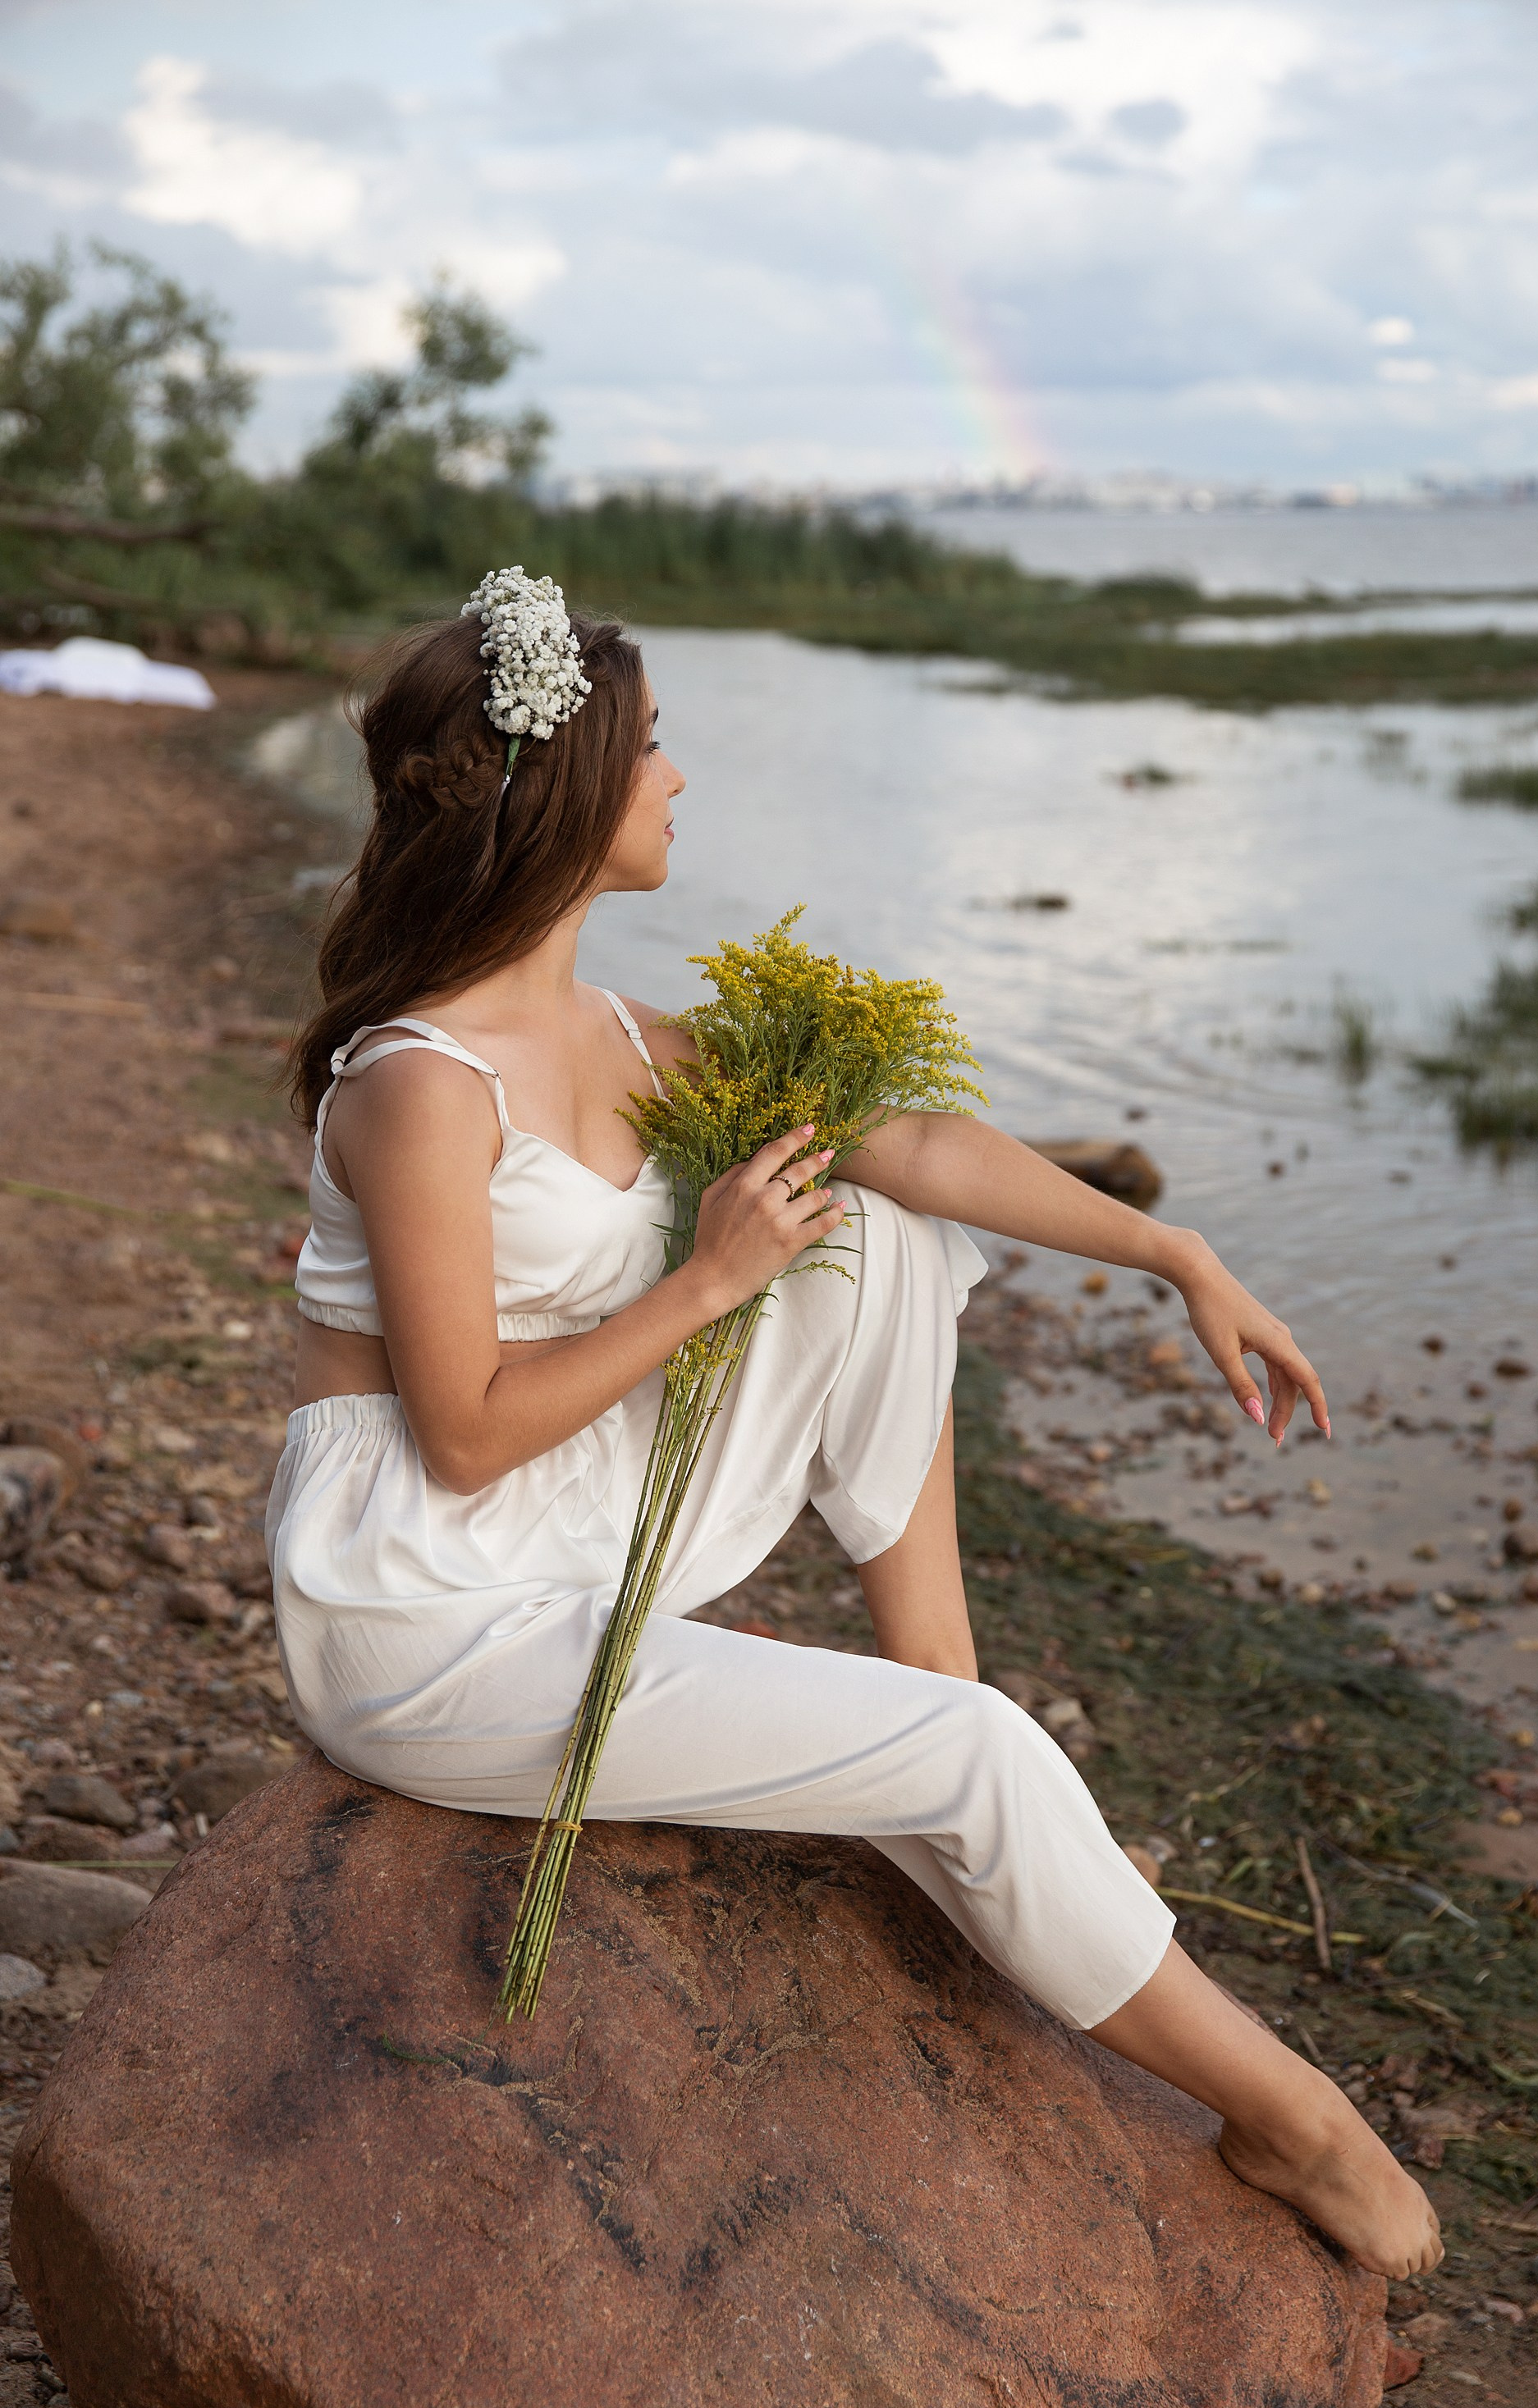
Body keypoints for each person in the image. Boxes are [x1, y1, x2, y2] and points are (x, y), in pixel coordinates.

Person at [270, 570, 1441, 2282]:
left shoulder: (616, 1033)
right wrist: (704, 1279)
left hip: (563, 1543)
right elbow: (457, 1433)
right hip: (422, 1611)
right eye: (654, 749)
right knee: (974, 1763)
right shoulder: (415, 1082)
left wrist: (1170, 1250)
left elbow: (910, 1145)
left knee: (876, 1227)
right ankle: (1296, 2121)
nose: (678, 779)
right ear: (574, 793)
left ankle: (942, 1699)